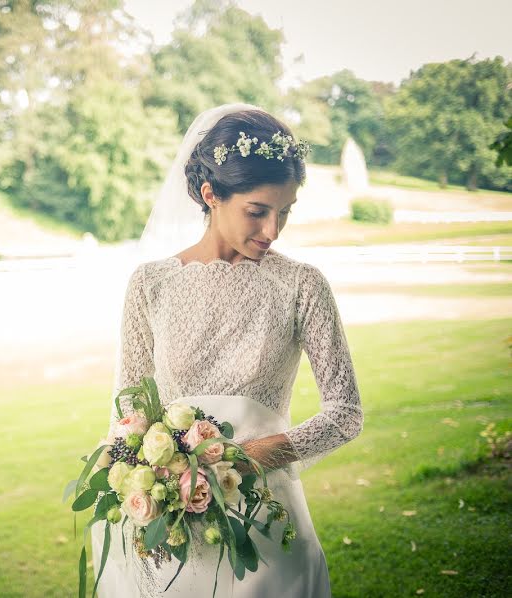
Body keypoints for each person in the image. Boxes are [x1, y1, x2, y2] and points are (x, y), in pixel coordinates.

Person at [91, 104, 364, 597]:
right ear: (210, 194)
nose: (272, 230)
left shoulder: (303, 286)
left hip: (267, 521)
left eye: (285, 212)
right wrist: (132, 482)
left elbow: (345, 415)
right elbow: (128, 408)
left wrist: (244, 458)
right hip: (170, 524)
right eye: (257, 212)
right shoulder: (150, 285)